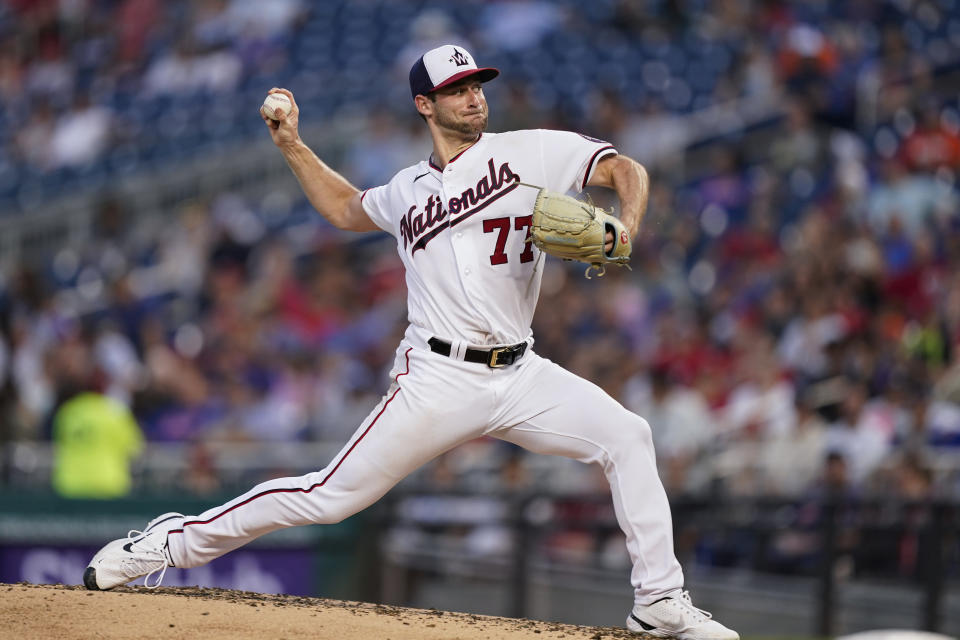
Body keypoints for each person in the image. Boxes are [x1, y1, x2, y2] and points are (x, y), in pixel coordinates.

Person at [83, 44, 738, 639]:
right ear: (425, 104)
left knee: (629, 436)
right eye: (456, 89)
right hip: (437, 380)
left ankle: (659, 601)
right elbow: (344, 209)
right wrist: (292, 146)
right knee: (327, 496)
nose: (473, 96)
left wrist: (627, 225)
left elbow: (625, 168)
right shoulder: (407, 190)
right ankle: (167, 545)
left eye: (477, 84)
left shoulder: (532, 150)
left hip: (521, 371)